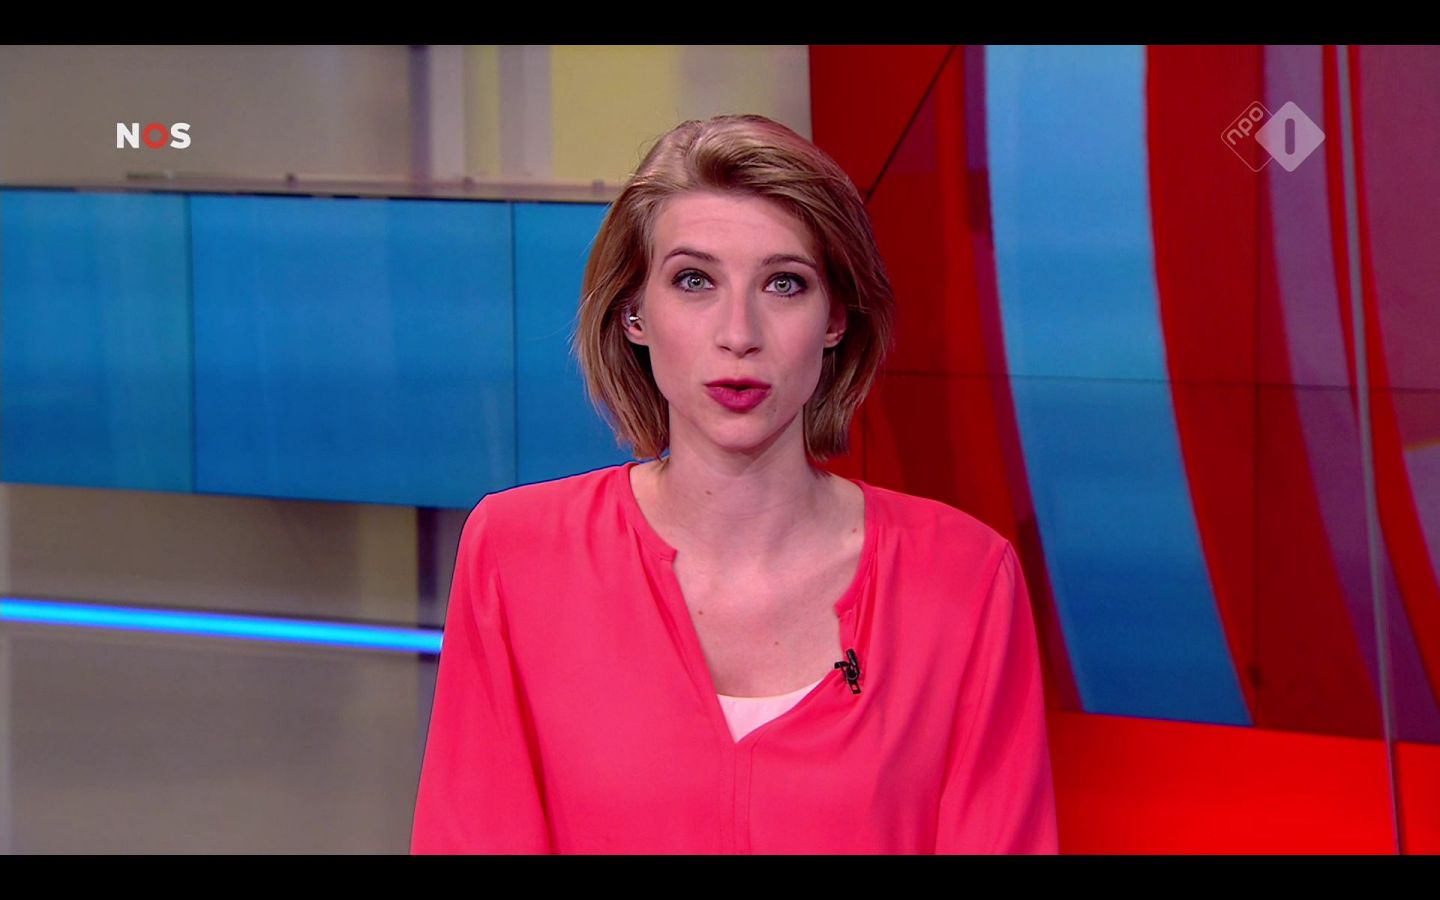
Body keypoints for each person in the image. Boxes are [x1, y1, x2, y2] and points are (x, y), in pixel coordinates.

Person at [411, 114, 1058, 854]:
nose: (739, 334)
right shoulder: (516, 552)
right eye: (695, 281)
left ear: (836, 320)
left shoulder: (964, 577)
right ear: (633, 313)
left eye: (784, 284)